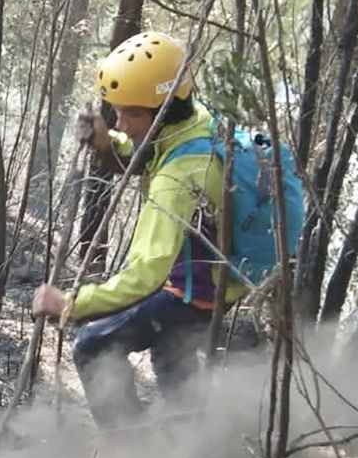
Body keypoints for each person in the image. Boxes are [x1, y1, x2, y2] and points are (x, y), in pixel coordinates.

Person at [31, 31, 244, 425]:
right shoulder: (194, 122)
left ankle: (127, 452)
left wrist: (71, 305)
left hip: (196, 290)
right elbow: (146, 152)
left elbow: (147, 275)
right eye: (118, 111)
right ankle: (198, 449)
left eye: (132, 114)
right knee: (171, 356)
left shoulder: (181, 175)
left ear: (165, 108)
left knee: (94, 344)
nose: (123, 123)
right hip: (211, 277)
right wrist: (105, 142)